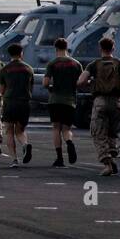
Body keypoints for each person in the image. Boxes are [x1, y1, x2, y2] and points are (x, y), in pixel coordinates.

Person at [77, 37, 120, 176]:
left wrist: (91, 83)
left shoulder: (94, 65)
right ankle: (112, 151)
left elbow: (80, 81)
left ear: (100, 49)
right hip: (117, 102)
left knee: (98, 133)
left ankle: (107, 162)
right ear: (113, 48)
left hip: (100, 101)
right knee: (112, 131)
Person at [43, 37, 81, 167]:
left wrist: (50, 88)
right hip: (70, 100)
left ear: (56, 48)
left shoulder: (52, 63)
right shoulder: (76, 64)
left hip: (55, 99)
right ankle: (69, 142)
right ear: (66, 47)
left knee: (56, 128)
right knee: (66, 128)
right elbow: (81, 83)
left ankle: (59, 158)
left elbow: (45, 82)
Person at [0, 43, 34, 167]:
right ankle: (25, 144)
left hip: (10, 102)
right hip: (24, 102)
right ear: (21, 53)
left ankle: (14, 160)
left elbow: (2, 90)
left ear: (10, 54)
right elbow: (31, 87)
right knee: (20, 130)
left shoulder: (5, 69)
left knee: (9, 131)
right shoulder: (29, 69)